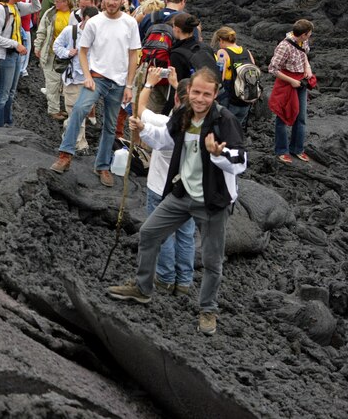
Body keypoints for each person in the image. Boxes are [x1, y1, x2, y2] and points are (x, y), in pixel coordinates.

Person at [109, 67, 248, 337]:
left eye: (206, 94)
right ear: (188, 92)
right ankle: (142, 288)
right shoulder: (183, 113)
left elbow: (241, 161)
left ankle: (208, 310)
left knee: (212, 260)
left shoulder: (224, 120)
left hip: (212, 201)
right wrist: (143, 128)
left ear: (215, 94)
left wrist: (218, 153)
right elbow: (164, 140)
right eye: (195, 92)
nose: (199, 98)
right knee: (148, 233)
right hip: (182, 193)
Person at [49, 0, 141, 187]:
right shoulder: (94, 23)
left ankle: (102, 166)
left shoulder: (130, 23)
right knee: (79, 110)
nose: (111, 2)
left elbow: (133, 56)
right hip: (97, 78)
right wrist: (88, 77)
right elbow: (82, 51)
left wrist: (129, 85)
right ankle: (65, 155)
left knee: (110, 126)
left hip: (119, 83)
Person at [136, 66, 195, 296]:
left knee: (163, 232)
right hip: (188, 187)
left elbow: (141, 110)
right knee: (186, 233)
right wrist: (175, 83)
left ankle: (165, 277)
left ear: (177, 100)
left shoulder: (164, 124)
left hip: (161, 186)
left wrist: (149, 83)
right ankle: (184, 282)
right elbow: (186, 104)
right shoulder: (200, 125)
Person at [0, 0, 40, 127]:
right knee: (2, 94)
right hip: (5, 57)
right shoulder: (0, 9)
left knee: (10, 93)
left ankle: (6, 123)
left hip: (15, 57)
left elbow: (35, 7)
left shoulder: (16, 6)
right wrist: (15, 44)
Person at [54, 5, 99, 153]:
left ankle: (72, 137)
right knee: (75, 111)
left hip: (88, 79)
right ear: (83, 18)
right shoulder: (70, 31)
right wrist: (67, 52)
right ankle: (79, 143)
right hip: (72, 78)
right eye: (89, 22)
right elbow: (56, 46)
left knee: (81, 112)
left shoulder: (97, 34)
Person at [269, 19, 314, 163]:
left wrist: (308, 69)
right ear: (303, 35)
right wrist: (291, 81)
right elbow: (272, 69)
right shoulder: (284, 46)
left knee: (301, 117)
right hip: (287, 83)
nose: (310, 36)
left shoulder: (303, 41)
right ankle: (281, 151)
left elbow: (304, 54)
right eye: (309, 34)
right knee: (282, 116)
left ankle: (297, 149)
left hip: (300, 81)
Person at [163, 13, 217, 113]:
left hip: (189, 101)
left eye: (173, 26)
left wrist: (166, 112)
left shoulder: (177, 54)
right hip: (209, 97)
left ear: (177, 29)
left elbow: (176, 85)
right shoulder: (206, 47)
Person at [35, 0, 76, 119]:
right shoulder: (50, 13)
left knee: (66, 83)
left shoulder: (75, 15)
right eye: (55, 1)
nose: (55, 4)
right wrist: (37, 47)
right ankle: (53, 110)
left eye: (58, 1)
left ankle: (64, 109)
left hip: (70, 55)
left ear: (66, 1)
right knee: (52, 82)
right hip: (51, 53)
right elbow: (41, 31)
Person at [215, 26, 257, 128]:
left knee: (223, 130)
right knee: (236, 131)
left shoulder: (223, 52)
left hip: (229, 99)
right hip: (245, 99)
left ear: (221, 40)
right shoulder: (247, 52)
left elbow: (220, 76)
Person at [14, 0, 36, 77]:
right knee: (26, 41)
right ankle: (22, 69)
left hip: (18, 18)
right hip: (25, 19)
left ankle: (19, 68)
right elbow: (34, 2)